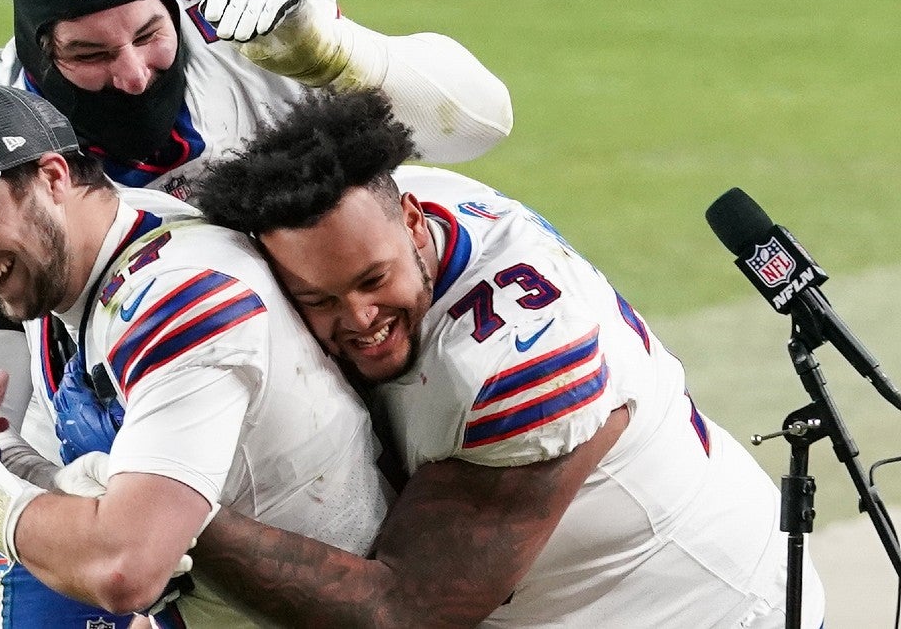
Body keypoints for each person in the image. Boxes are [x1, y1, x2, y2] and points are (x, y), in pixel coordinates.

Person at [0, 0, 512, 625]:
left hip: (268, 372)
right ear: (37, 61)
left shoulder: (238, 7)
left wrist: (337, 52)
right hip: (100, 403)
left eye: (150, 34)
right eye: (89, 56)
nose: (132, 73)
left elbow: (482, 123)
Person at [160, 88, 823, 627]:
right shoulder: (389, 198)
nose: (359, 318)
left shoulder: (517, 363)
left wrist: (170, 505)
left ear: (414, 223)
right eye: (318, 298)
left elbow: (403, 612)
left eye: (372, 281)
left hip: (703, 607)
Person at [0, 83, 395, 626]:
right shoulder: (90, 254)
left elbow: (125, 567)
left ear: (53, 178)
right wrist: (9, 460)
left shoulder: (178, 300)